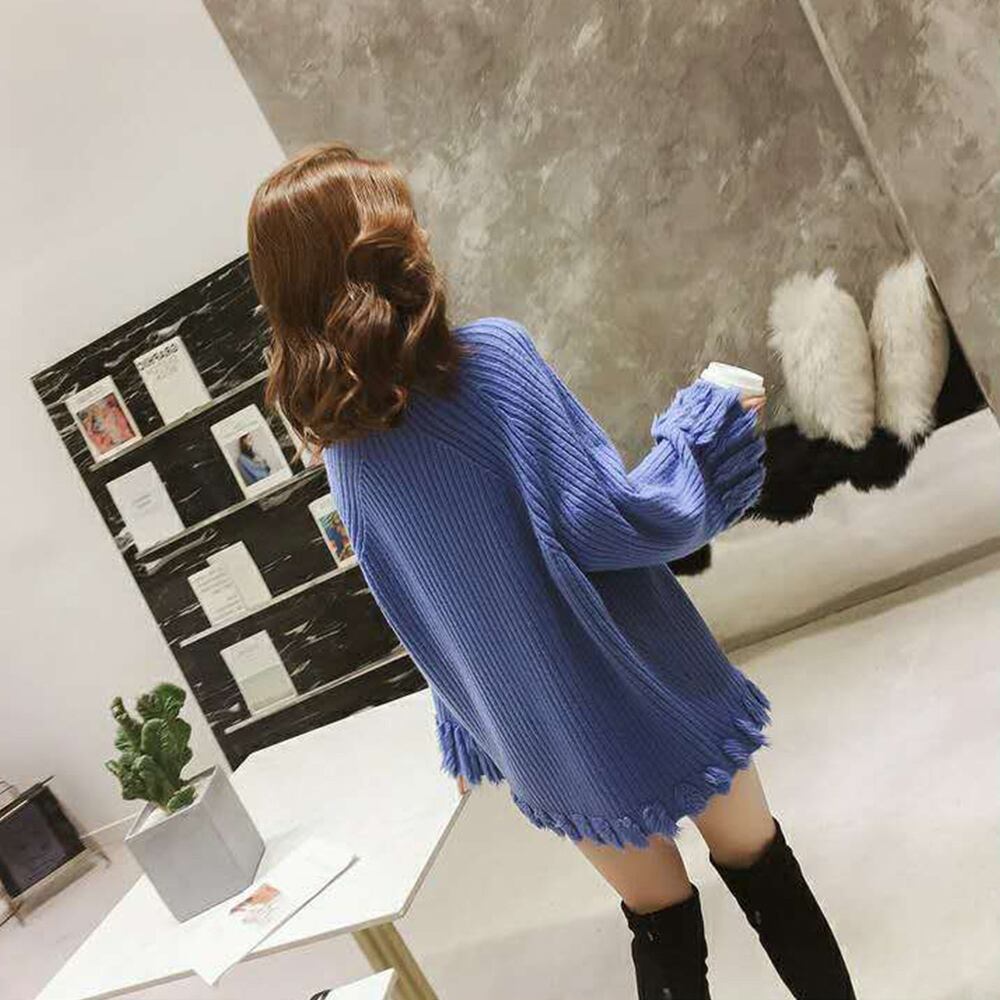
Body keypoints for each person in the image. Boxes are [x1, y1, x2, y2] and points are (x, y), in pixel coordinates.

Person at [247, 143, 855, 1000]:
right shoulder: (490, 362)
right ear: (377, 252)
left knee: (662, 925)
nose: (420, 234)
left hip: (546, 731)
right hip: (647, 672)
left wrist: (477, 724)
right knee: (762, 869)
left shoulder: (346, 462)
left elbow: (426, 619)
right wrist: (705, 421)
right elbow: (612, 522)